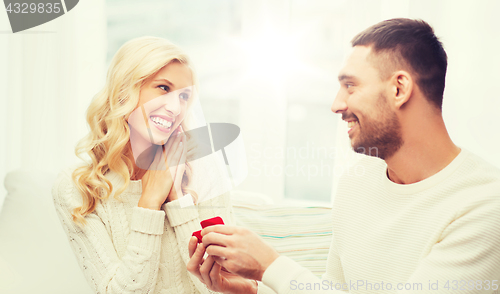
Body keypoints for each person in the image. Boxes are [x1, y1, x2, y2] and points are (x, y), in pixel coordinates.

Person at [187, 18, 500, 293]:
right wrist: (254, 291)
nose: (336, 104)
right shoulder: (357, 183)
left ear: (399, 89)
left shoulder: (484, 206)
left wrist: (270, 265)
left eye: (350, 86)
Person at [52, 36, 234, 294]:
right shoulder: (78, 188)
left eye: (184, 96)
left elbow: (222, 288)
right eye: (162, 87)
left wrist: (177, 201)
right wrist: (149, 202)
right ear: (124, 91)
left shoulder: (203, 167)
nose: (175, 107)